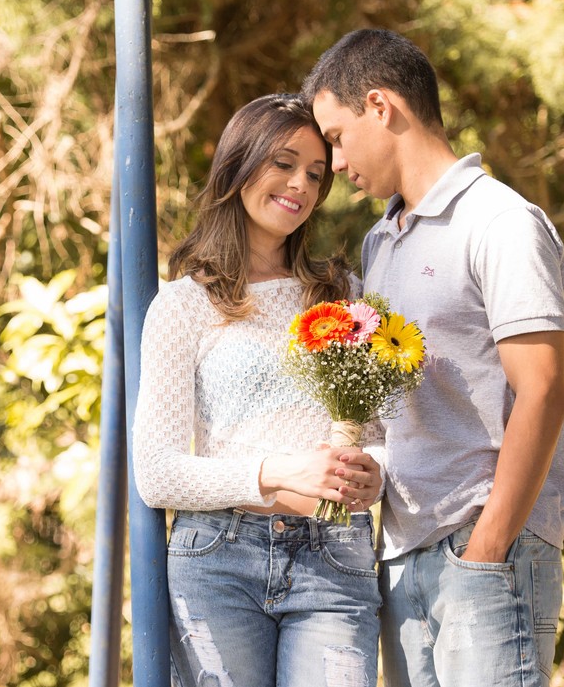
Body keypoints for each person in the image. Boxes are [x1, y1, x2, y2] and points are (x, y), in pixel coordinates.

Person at [302, 28, 564, 687]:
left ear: (380, 106)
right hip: (401, 557)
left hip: (485, 553)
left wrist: (486, 549)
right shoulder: (379, 243)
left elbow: (542, 390)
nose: (333, 163)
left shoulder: (501, 222)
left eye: (336, 137)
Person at [133, 93, 385, 687]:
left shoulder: (343, 294)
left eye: (317, 173)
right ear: (238, 165)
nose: (300, 184)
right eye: (283, 162)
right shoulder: (183, 306)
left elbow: (378, 439)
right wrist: (274, 472)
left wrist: (374, 473)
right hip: (218, 560)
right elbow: (156, 472)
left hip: (335, 558)